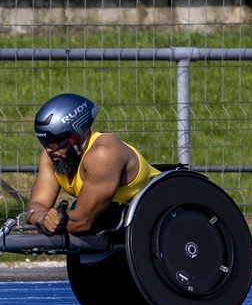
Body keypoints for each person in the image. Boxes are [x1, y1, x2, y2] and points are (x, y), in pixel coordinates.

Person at [25, 93, 160, 235]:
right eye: (45, 141)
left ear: (77, 134)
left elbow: (82, 222)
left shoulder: (103, 154)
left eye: (57, 140)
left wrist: (49, 225)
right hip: (118, 219)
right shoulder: (52, 156)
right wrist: (43, 219)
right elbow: (36, 206)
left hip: (156, 216)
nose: (49, 149)